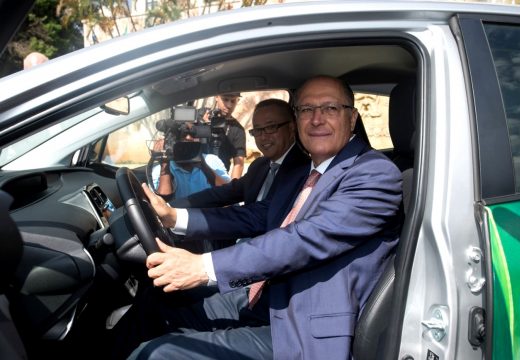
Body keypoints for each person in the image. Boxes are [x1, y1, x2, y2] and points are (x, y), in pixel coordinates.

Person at [124, 75, 403, 359]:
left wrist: (202, 267)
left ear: (352, 118)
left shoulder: (374, 173)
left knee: (158, 354)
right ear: (297, 119)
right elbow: (258, 214)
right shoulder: (308, 170)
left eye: (330, 108)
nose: (317, 119)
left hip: (307, 324)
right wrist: (175, 217)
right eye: (307, 109)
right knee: (156, 303)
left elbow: (305, 239)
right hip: (269, 296)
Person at [171, 98, 309, 209]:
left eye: (271, 127)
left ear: (291, 128)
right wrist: (176, 206)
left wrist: (183, 220)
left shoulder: (304, 171)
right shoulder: (260, 166)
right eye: (257, 130)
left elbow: (259, 217)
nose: (263, 137)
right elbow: (227, 193)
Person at [152, 122, 231, 199]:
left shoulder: (212, 161)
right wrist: (164, 163)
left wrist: (203, 165)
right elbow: (162, 203)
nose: (189, 138)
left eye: (193, 134)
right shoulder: (160, 169)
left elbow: (229, 194)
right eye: (183, 135)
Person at [206, 93, 246, 180]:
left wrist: (231, 189)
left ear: (238, 100)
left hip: (220, 180)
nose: (229, 105)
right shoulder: (200, 117)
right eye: (225, 99)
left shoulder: (237, 129)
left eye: (233, 101)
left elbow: (239, 164)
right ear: (216, 97)